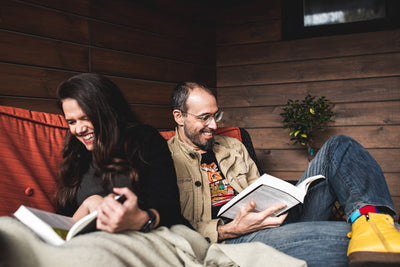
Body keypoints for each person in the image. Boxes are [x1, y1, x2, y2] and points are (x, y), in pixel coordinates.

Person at [167, 81, 400, 266]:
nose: (214, 126)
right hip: (236, 238)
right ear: (179, 117)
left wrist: (286, 195)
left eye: (215, 115)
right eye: (203, 118)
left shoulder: (232, 146)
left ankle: (374, 220)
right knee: (357, 242)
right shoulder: (164, 158)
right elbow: (170, 226)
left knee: (339, 146)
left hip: (274, 217)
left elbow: (257, 188)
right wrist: (226, 230)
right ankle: (381, 233)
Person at [55, 73, 188, 233]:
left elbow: (170, 209)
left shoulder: (143, 139)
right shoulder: (76, 153)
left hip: (140, 237)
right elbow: (65, 221)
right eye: (72, 122)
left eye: (87, 118)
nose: (79, 129)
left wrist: (140, 219)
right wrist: (88, 204)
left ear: (108, 112)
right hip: (86, 243)